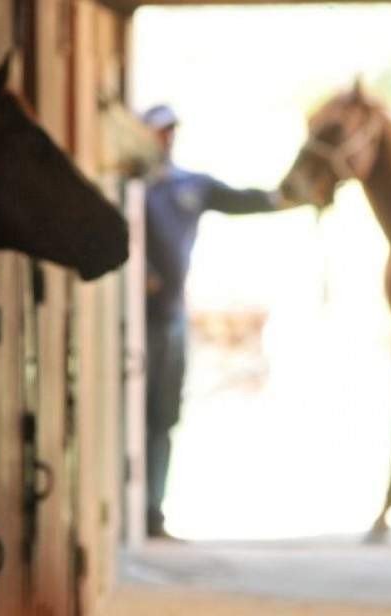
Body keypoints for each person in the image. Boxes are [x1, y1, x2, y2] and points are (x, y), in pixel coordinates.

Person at [141, 103, 289, 538]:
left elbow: (245, 200)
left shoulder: (191, 186)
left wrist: (288, 196)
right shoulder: (133, 189)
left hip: (170, 318)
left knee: (164, 416)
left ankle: (154, 511)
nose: (165, 140)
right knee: (137, 415)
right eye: (157, 132)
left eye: (170, 132)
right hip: (138, 322)